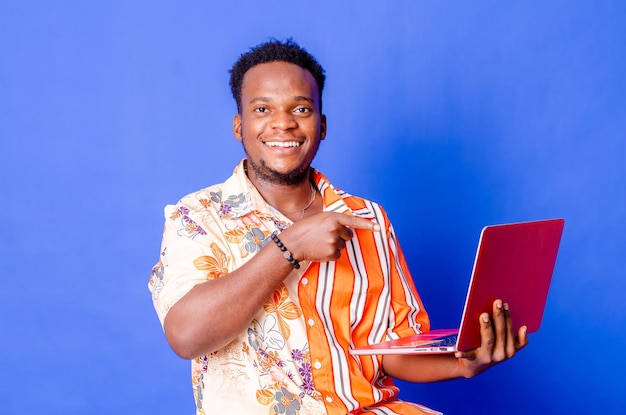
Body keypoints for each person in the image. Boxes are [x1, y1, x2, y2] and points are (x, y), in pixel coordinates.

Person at [148, 38, 528, 415]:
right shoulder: (197, 216)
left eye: (301, 108)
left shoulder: (367, 218)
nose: (283, 123)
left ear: (322, 125)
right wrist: (289, 246)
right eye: (263, 108)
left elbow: (389, 349)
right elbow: (186, 336)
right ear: (239, 125)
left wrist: (463, 364)